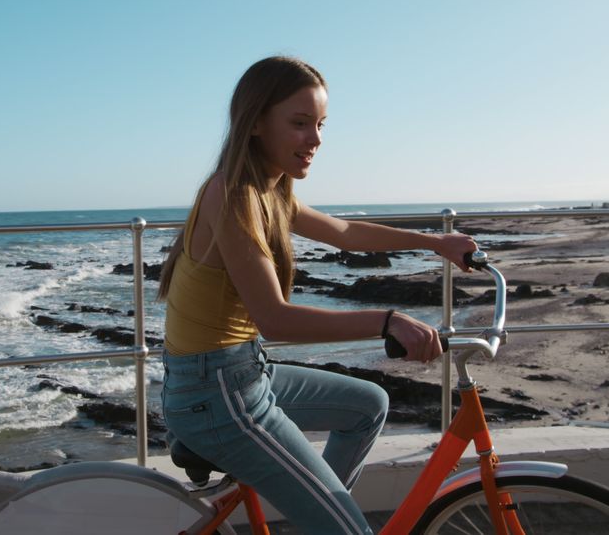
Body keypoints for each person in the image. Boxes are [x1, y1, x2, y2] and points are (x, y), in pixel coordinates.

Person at [157, 56, 477, 534]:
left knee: (369, 406)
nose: (316, 140)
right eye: (300, 123)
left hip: (242, 373)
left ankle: (325, 517)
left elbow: (345, 231)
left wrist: (436, 243)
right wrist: (387, 320)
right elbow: (277, 320)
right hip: (215, 393)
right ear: (257, 122)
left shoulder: (272, 189)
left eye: (321, 125)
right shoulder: (234, 193)